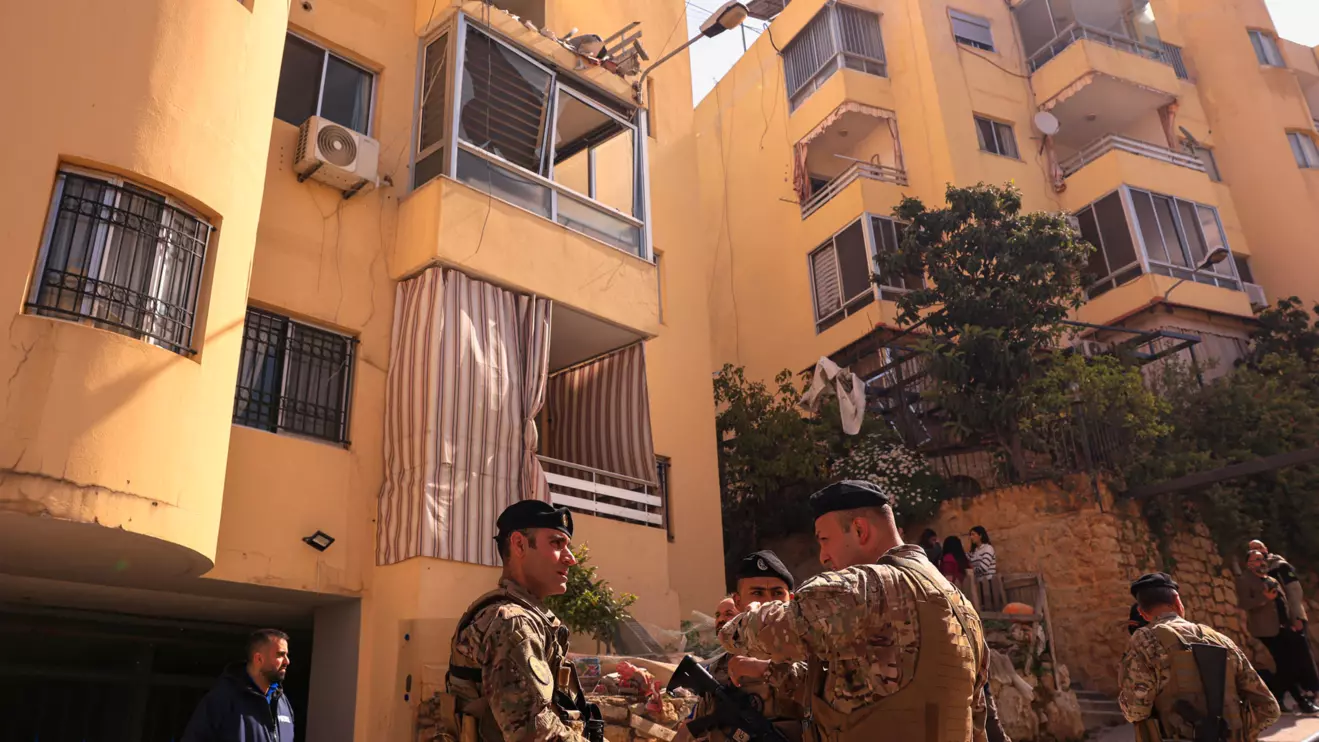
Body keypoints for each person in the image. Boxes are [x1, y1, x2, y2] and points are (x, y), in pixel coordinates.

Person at [718, 480, 990, 742]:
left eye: (825, 539)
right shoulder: (961, 608)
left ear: (860, 530)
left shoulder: (860, 588)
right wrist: (769, 672)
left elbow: (746, 634)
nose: (823, 556)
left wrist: (749, 613)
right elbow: (866, 691)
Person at [446, 500, 601, 742]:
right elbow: (535, 733)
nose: (571, 559)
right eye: (556, 543)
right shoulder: (513, 624)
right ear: (519, 544)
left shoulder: (523, 618)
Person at [1119, 572, 1279, 741]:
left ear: (1142, 613)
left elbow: (1135, 710)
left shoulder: (1144, 640)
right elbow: (1269, 709)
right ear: (1177, 601)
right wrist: (1236, 733)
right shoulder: (1222, 641)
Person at [686, 550, 806, 742]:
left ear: (790, 600)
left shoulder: (812, 651)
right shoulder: (721, 668)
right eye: (757, 593)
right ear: (738, 602)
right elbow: (697, 726)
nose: (768, 601)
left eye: (777, 593)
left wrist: (767, 670)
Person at [1238, 549, 1319, 713]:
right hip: (1266, 630)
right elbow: (1245, 603)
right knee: (1286, 665)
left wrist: (1293, 620)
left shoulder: (1271, 579)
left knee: (1289, 665)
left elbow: (1284, 602)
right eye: (1255, 559)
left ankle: (1277, 698)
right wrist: (1264, 599)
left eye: (1261, 559)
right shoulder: (1244, 580)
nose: (1260, 562)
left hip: (1284, 627)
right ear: (1249, 563)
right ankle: (1300, 701)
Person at [182, 628, 295, 742]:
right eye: (280, 655)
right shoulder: (222, 700)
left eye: (287, 655)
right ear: (259, 658)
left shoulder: (282, 702)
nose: (287, 661)